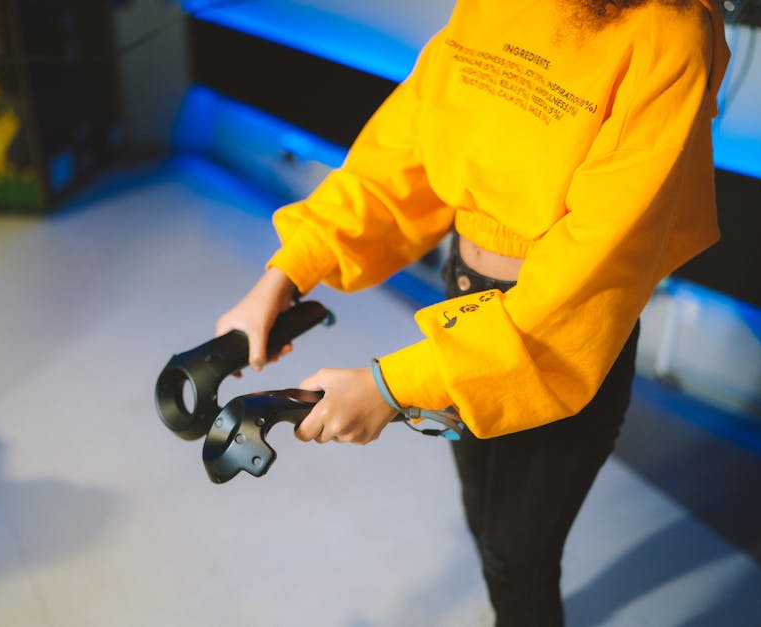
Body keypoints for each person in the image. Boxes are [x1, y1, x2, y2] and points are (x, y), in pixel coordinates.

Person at [217, 1, 730, 624]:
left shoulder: (665, 32)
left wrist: (392, 386)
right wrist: (286, 273)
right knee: (484, 522)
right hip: (461, 302)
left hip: (556, 335)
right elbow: (404, 152)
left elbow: (591, 272)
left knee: (518, 556)